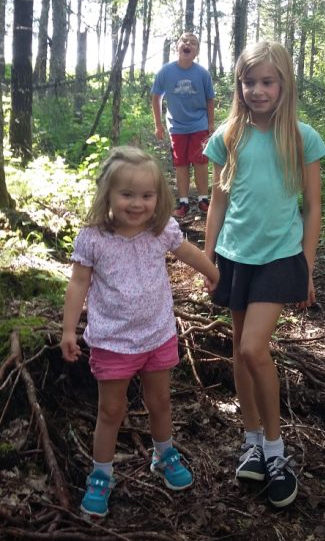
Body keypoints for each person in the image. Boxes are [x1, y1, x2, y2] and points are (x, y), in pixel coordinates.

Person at [60, 146, 219, 519]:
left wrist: (211, 272)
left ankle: (164, 454)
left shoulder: (160, 230)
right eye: (127, 194)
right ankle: (101, 475)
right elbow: (78, 283)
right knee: (111, 409)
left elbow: (187, 253)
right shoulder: (94, 237)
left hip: (157, 333)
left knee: (160, 401)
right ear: (108, 195)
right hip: (113, 341)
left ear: (158, 197)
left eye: (147, 195)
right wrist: (69, 328)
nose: (137, 204)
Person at [204, 41, 325, 509]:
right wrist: (208, 257)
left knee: (255, 347)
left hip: (280, 256)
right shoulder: (228, 136)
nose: (257, 90)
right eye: (249, 82)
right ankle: (250, 440)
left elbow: (313, 209)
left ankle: (276, 451)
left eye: (267, 82)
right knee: (240, 349)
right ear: (240, 85)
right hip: (235, 256)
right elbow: (218, 201)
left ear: (284, 84)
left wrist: (307, 267)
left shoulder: (301, 137)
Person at [151, 32, 215, 218]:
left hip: (199, 124)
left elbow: (210, 99)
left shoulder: (202, 73)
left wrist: (210, 123)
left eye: (193, 43)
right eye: (184, 41)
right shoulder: (165, 72)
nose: (188, 44)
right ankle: (184, 202)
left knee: (200, 161)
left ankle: (203, 200)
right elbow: (156, 98)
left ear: (196, 51)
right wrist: (158, 125)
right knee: (181, 163)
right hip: (177, 126)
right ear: (177, 47)